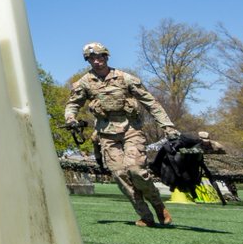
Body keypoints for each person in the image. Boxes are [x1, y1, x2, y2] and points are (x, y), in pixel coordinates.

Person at [65, 42, 180, 227]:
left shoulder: (125, 78)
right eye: (92, 58)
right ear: (88, 60)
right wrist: (71, 119)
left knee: (135, 170)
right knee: (119, 174)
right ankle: (145, 216)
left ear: (106, 57)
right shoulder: (84, 83)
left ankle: (159, 207)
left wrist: (168, 127)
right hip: (106, 134)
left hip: (131, 130)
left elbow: (151, 103)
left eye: (100, 57)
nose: (97, 61)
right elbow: (72, 104)